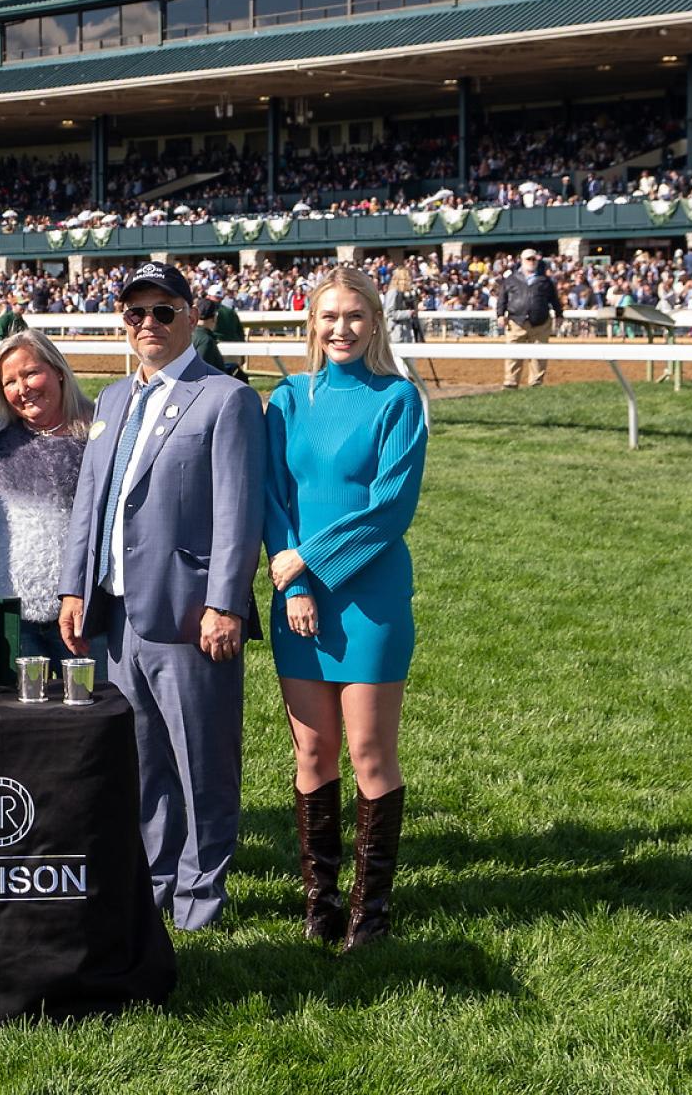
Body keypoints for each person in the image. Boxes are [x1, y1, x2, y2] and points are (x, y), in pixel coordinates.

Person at [57, 261, 265, 931]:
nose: (148, 324)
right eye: (135, 313)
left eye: (163, 311)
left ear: (192, 314)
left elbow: (239, 510)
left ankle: (202, 896)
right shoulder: (114, 399)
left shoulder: (225, 398)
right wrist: (73, 587)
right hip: (116, 614)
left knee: (200, 762)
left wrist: (226, 601)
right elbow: (91, 499)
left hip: (188, 615)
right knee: (143, 762)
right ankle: (154, 885)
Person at [263, 266, 426, 951]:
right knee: (313, 751)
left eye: (354, 316)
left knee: (367, 751)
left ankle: (372, 913)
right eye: (328, 316)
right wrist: (295, 583)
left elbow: (390, 507)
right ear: (311, 322)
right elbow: (272, 499)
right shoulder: (286, 399)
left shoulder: (398, 399)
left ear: (375, 322)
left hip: (371, 599)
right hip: (297, 600)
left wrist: (308, 560)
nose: (340, 328)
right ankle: (320, 902)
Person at [0, 329, 102, 669]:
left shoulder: (101, 432)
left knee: (90, 716)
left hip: (84, 613)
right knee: (20, 719)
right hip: (9, 614)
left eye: (30, 373)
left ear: (58, 369)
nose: (22, 388)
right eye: (10, 382)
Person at [496, 249, 562, 388]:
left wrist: (559, 314)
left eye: (534, 259)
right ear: (522, 260)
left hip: (540, 323)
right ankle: (511, 383)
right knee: (513, 355)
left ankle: (536, 383)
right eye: (528, 259)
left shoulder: (545, 280)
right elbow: (503, 298)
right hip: (516, 322)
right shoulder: (511, 279)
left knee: (538, 355)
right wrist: (500, 314)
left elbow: (554, 299)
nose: (531, 262)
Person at [383, 269, 419, 345]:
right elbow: (390, 313)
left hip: (406, 332)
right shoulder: (393, 292)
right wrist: (409, 313)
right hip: (396, 332)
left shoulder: (403, 293)